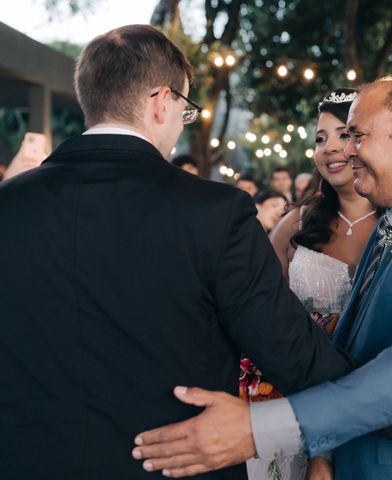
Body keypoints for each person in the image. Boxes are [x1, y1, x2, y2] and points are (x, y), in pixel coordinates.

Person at [0, 25, 358, 480]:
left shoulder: (7, 206)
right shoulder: (216, 213)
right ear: (160, 101)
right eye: (185, 111)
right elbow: (300, 360)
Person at [133, 79, 392, 479]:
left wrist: (258, 429)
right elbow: (351, 351)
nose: (347, 149)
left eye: (358, 136)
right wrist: (328, 452)